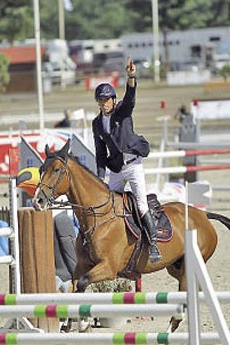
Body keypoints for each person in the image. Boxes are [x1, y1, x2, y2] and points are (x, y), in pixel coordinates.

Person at [91, 56, 162, 263]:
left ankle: (154, 243)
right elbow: (100, 153)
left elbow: (130, 98)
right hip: (115, 170)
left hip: (132, 166)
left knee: (140, 205)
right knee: (110, 205)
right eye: (100, 101)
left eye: (106, 100)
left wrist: (131, 77)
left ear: (113, 100)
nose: (103, 104)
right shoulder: (96, 123)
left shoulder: (122, 111)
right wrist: (99, 178)